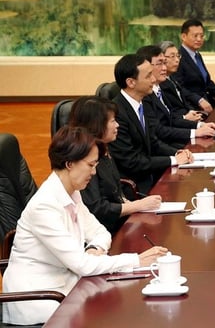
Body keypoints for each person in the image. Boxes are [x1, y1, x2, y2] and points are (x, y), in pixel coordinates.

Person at [0, 126, 168, 325]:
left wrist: (94, 249)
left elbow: (100, 232)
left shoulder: (71, 191)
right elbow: (82, 265)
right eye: (90, 165)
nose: (94, 172)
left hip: (66, 285)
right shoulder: (44, 206)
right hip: (40, 299)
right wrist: (137, 260)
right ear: (70, 164)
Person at [69, 96, 162, 232]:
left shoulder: (104, 149)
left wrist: (134, 204)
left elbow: (115, 193)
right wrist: (137, 206)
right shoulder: (84, 160)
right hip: (103, 230)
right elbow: (97, 209)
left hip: (117, 222)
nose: (117, 125)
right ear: (96, 124)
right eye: (113, 121)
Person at [108, 53, 193, 194]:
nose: (153, 80)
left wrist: (177, 152)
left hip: (151, 175)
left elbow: (153, 142)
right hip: (133, 186)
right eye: (148, 76)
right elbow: (131, 161)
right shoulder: (116, 113)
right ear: (131, 82)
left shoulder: (143, 103)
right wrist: (173, 160)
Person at [136, 45, 215, 146]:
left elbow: (171, 119)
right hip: (165, 144)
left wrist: (200, 125)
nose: (164, 68)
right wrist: (194, 132)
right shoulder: (145, 95)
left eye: (164, 63)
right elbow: (159, 130)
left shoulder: (159, 88)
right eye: (160, 64)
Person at [173, 19, 215, 113]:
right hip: (191, 108)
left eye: (201, 36)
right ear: (183, 36)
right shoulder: (178, 57)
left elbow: (207, 83)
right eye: (195, 36)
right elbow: (178, 87)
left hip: (207, 103)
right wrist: (199, 100)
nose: (199, 39)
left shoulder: (197, 55)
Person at [159, 40, 205, 123]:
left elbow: (184, 102)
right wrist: (185, 117)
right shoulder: (159, 84)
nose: (177, 60)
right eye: (172, 56)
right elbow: (170, 114)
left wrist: (192, 112)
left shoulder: (172, 77)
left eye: (178, 56)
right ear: (161, 59)